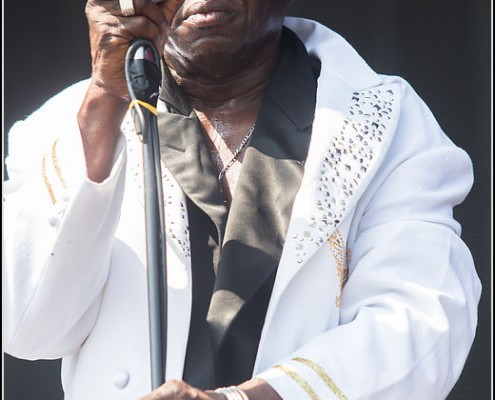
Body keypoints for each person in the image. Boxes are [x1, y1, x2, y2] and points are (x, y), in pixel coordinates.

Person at [3, 0, 482, 399]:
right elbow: (26, 328)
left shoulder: (383, 120)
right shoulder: (60, 129)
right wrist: (107, 98)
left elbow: (421, 322)